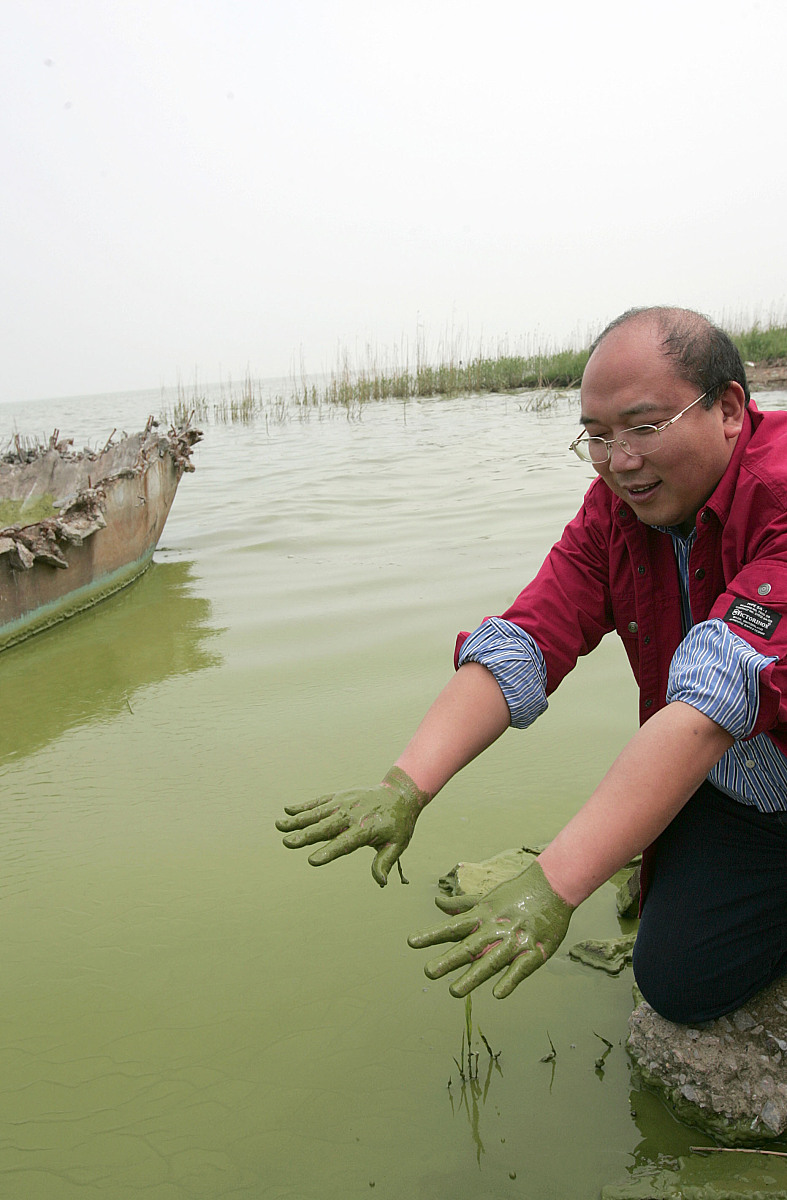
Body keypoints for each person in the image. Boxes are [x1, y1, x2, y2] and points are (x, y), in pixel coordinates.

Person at [277, 306, 787, 1025]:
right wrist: (406, 784)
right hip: (739, 782)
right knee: (679, 981)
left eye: (643, 427)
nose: (619, 461)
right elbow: (529, 635)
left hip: (745, 744)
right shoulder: (617, 510)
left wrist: (552, 885)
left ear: (728, 408)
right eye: (597, 437)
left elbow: (713, 700)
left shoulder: (780, 494)